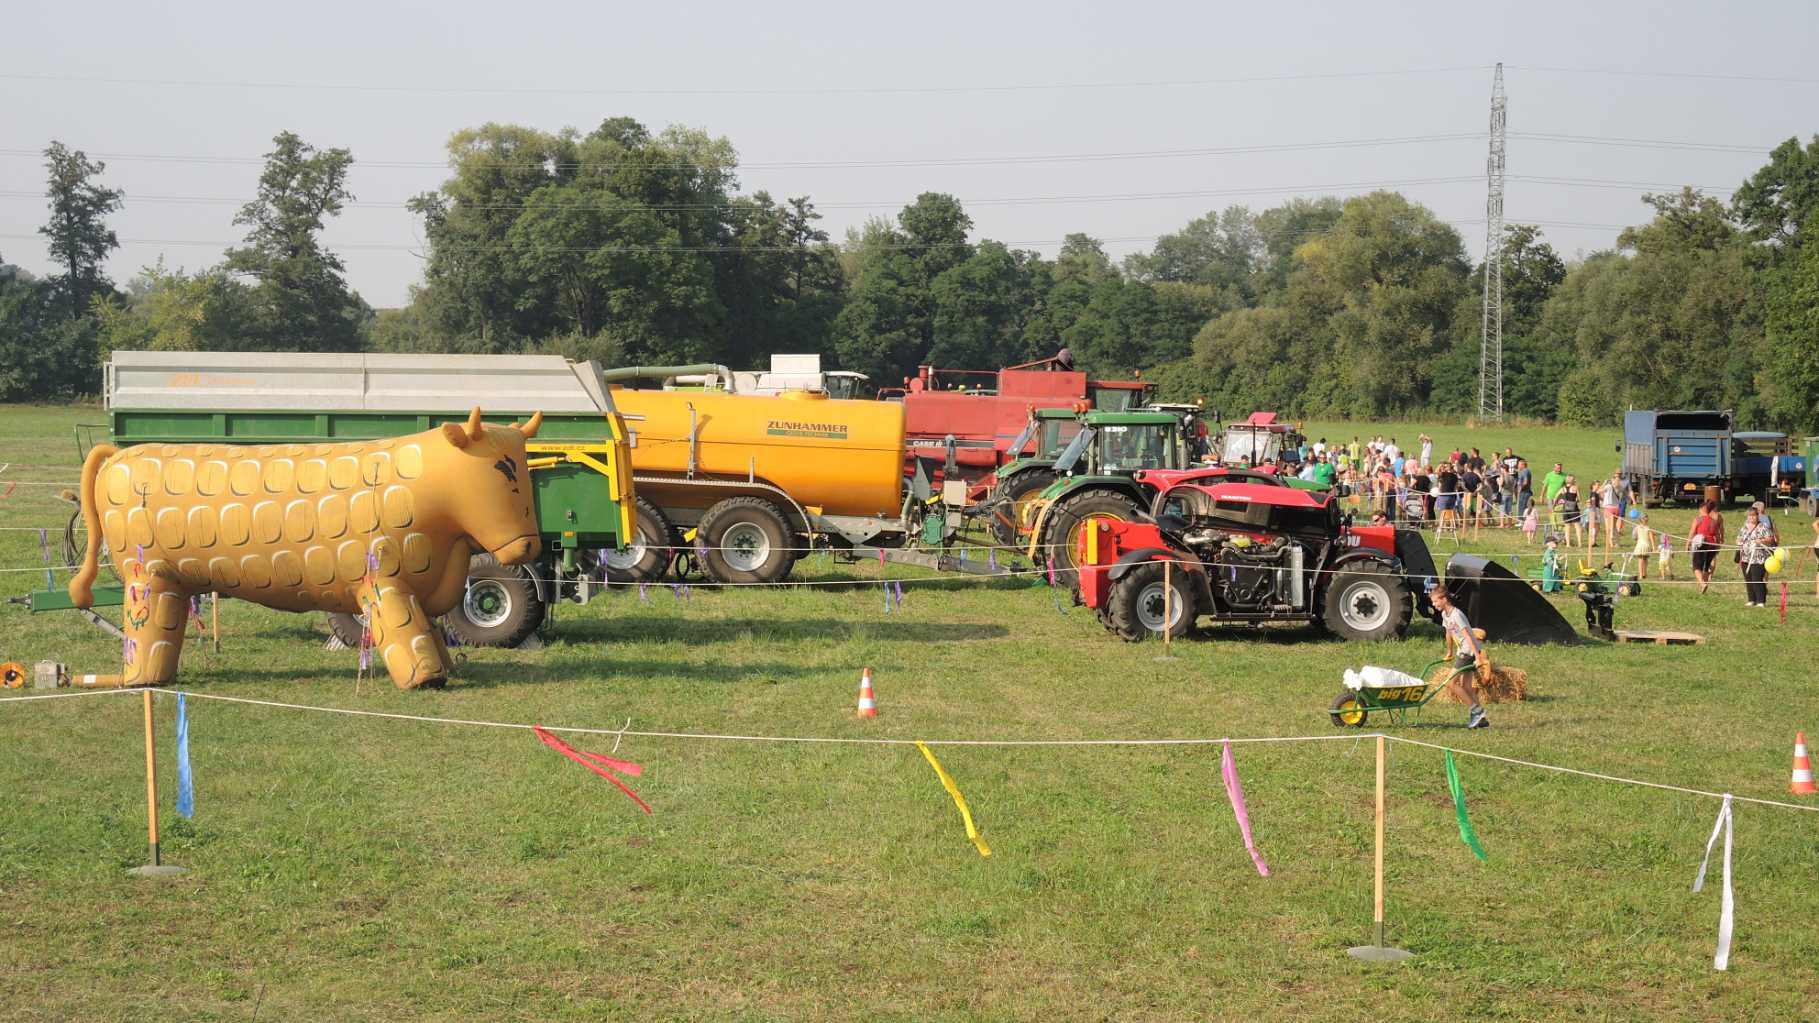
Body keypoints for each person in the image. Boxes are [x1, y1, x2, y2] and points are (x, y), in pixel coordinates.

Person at [1429, 582, 1489, 729]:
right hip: (1462, 651)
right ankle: (1482, 720)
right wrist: (1449, 652)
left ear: (1444, 599)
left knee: (1450, 683)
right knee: (1466, 686)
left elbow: (1468, 636)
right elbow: (1448, 632)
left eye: (1436, 601)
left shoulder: (1457, 615)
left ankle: (1477, 712)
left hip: (1468, 651)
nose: (1434, 604)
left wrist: (1478, 656)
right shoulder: (1445, 614)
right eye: (1433, 601)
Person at [1737, 506, 1776, 608]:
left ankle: (1761, 601)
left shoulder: (1763, 526)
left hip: (1759, 558)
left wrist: (1761, 541)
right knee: (1748, 578)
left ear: (1757, 516)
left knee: (1757, 578)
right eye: (1750, 516)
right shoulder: (1744, 527)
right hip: (1745, 557)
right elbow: (1738, 538)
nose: (1751, 518)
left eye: (1753, 515)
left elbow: (1770, 538)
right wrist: (1739, 542)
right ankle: (1751, 599)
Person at [1688, 499, 1724, 594]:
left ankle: (1702, 583)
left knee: (1696, 566)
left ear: (1702, 509)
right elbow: (1717, 535)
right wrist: (1719, 545)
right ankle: (1704, 584)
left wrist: (1687, 544)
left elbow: (1692, 532)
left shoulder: (1698, 519)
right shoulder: (1715, 521)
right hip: (1712, 544)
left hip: (1701, 543)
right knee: (1707, 567)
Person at [1556, 476, 1582, 548]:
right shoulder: (1575, 488)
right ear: (1573, 481)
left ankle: (1568, 544)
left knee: (1567, 526)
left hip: (1566, 508)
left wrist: (1555, 504)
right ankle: (1579, 543)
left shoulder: (1562, 489)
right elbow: (1579, 498)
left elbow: (1556, 497)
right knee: (1577, 526)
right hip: (1574, 508)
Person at [1631, 511, 1653, 579]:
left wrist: (1638, 540)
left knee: (1641, 560)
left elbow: (1634, 537)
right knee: (1645, 559)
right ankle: (1644, 573)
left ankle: (1641, 574)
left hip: (1640, 545)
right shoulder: (1648, 528)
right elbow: (1651, 538)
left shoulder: (1637, 527)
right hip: (1646, 545)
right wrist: (1653, 546)